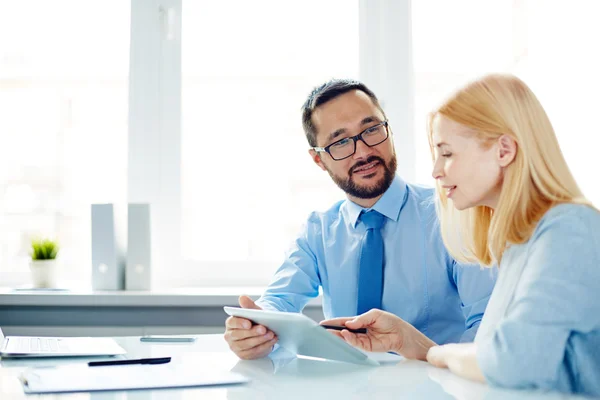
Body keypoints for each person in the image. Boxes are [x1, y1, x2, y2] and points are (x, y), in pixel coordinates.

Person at [322, 74, 600, 396]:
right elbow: (489, 359)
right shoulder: (521, 243)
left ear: (504, 150)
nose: (436, 171)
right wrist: (409, 340)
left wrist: (439, 352)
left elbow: (509, 362)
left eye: (448, 153)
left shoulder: (570, 229)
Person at [224, 79, 497, 360]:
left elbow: (487, 330)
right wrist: (254, 328)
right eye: (340, 142)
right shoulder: (318, 231)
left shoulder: (454, 215)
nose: (364, 151)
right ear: (319, 160)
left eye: (372, 130)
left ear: (389, 130)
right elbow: (280, 300)